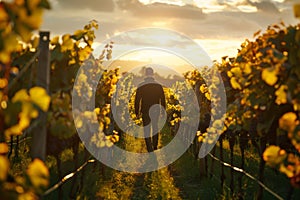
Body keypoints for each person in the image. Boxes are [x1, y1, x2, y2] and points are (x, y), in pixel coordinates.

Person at [134, 67, 166, 152]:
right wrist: (163, 111)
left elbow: (137, 100)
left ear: (145, 74)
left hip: (145, 110)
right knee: (155, 128)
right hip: (156, 111)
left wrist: (136, 111)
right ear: (152, 74)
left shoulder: (141, 85)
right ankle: (155, 146)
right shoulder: (158, 85)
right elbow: (162, 99)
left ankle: (149, 148)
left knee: (146, 130)